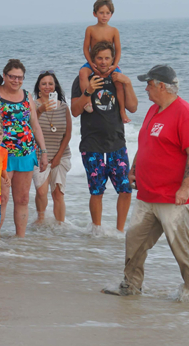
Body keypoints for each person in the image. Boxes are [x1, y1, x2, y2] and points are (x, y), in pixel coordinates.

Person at [111, 65, 189, 298]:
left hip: (174, 197)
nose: (146, 88)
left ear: (162, 86)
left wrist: (184, 189)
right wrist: (134, 170)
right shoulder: (154, 109)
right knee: (134, 241)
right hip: (147, 194)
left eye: (149, 84)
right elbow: (145, 145)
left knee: (181, 249)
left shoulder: (184, 112)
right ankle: (130, 286)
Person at [70, 41, 138, 234]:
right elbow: (75, 111)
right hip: (92, 145)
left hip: (117, 143)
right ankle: (97, 231)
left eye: (107, 58)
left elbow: (133, 107)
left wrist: (128, 82)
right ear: (92, 59)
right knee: (96, 191)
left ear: (113, 59)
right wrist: (88, 91)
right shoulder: (82, 79)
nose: (103, 62)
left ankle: (120, 231)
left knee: (125, 189)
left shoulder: (117, 78)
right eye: (99, 58)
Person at [0, 59, 48, 238]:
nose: (16, 81)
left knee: (23, 199)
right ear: (4, 76)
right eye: (12, 77)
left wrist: (43, 152)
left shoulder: (27, 95)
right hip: (1, 154)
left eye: (20, 77)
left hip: (26, 153)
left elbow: (35, 124)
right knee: (1, 199)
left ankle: (20, 241)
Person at [32, 70, 72, 224]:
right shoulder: (33, 105)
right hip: (38, 155)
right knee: (41, 192)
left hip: (61, 155)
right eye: (44, 84)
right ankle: (41, 220)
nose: (47, 87)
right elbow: (31, 127)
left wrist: (58, 156)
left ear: (55, 86)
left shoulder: (63, 107)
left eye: (50, 83)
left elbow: (68, 134)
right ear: (39, 87)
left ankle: (60, 226)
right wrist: (41, 110)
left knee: (58, 193)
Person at [79, 0, 128, 123]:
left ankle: (122, 110)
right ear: (95, 14)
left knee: (118, 81)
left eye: (107, 13)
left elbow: (118, 50)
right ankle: (88, 101)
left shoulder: (114, 31)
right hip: (93, 62)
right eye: (101, 13)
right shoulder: (90, 29)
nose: (104, 16)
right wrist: (91, 64)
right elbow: (85, 48)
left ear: (111, 14)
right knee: (83, 73)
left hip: (109, 64)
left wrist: (114, 65)